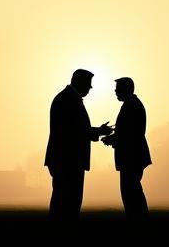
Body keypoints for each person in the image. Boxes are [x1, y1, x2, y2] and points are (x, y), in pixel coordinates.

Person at [44, 68, 113, 219]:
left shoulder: (65, 98)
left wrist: (98, 131)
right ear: (79, 82)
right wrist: (99, 132)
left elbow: (75, 130)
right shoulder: (69, 100)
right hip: (68, 160)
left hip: (64, 160)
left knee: (63, 202)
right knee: (68, 203)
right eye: (88, 83)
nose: (90, 87)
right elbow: (76, 131)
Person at [101, 77, 151, 218]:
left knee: (130, 191)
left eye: (117, 89)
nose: (115, 92)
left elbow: (130, 133)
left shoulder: (131, 106)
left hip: (131, 156)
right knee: (132, 190)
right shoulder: (132, 104)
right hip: (133, 155)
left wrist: (112, 138)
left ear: (125, 89)